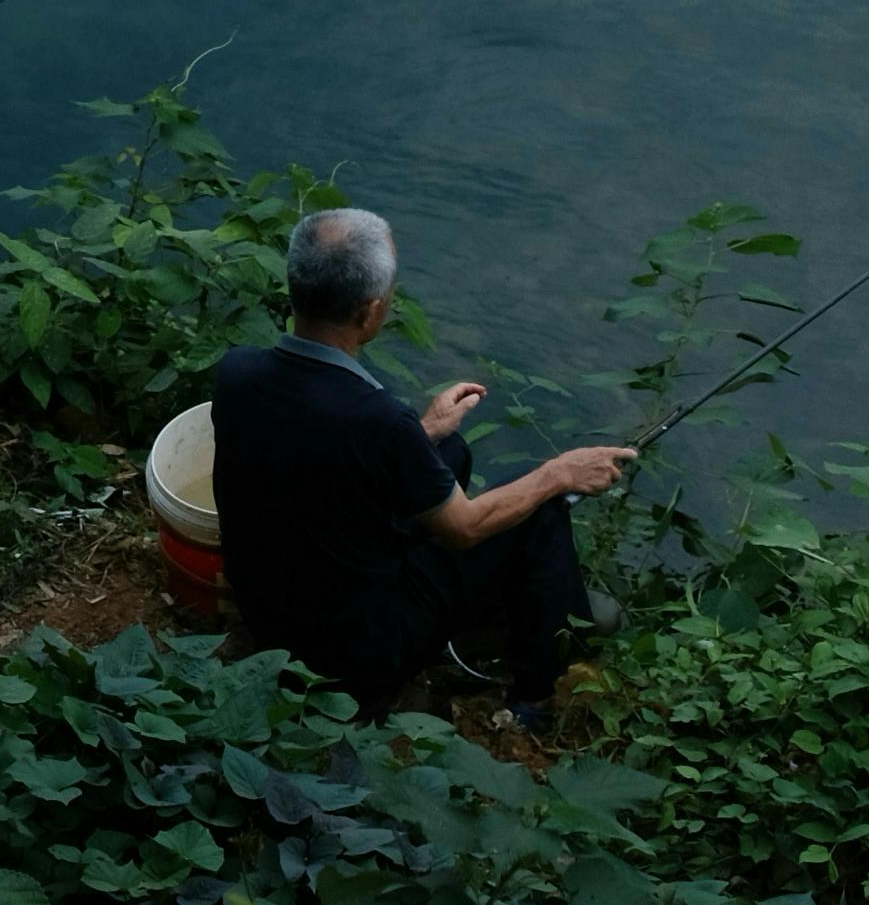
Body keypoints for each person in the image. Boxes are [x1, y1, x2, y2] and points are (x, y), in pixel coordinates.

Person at [209, 206, 633, 729]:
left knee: (448, 453)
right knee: (539, 512)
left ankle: (502, 609)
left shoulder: (237, 374)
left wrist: (424, 432)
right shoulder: (376, 417)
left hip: (276, 621)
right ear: (370, 312)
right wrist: (561, 473)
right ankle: (534, 700)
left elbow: (314, 447)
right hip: (356, 661)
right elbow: (465, 530)